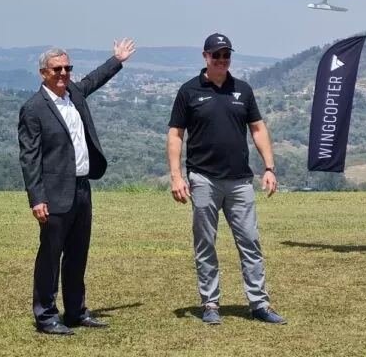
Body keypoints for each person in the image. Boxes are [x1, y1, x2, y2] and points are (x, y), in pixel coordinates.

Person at [18, 39, 137, 335]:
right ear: (43, 72)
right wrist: (37, 198)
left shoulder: (75, 93)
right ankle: (46, 316)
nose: (64, 73)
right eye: (57, 69)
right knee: (50, 255)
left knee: (77, 254)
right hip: (54, 193)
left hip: (83, 189)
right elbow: (29, 158)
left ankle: (75, 311)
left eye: (67, 68)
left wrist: (117, 60)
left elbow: (94, 79)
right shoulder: (33, 109)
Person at [166, 32, 285, 325]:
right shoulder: (189, 91)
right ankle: (210, 303)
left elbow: (258, 129)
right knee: (205, 243)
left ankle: (259, 304)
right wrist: (176, 176)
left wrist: (269, 168)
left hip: (240, 181)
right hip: (203, 179)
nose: (221, 60)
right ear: (205, 56)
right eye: (216, 55)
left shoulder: (242, 90)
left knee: (250, 242)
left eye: (226, 55)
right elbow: (175, 134)